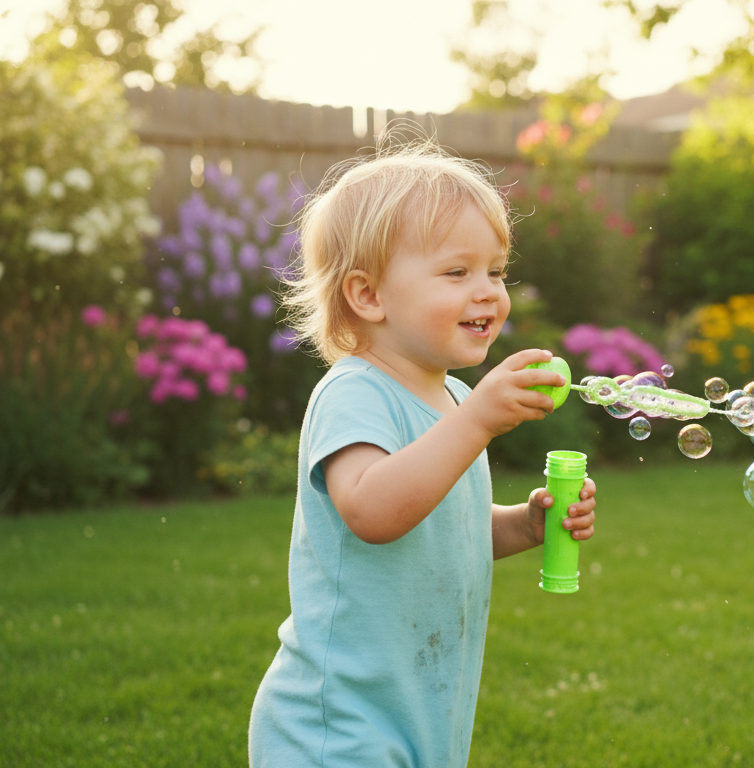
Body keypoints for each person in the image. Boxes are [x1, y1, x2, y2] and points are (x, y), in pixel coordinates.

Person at [248, 141, 597, 767]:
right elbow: (375, 512)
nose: (488, 291)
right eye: (457, 272)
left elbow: (443, 521)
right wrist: (479, 423)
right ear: (369, 295)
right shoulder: (354, 393)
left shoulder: (453, 400)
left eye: (496, 270)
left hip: (418, 713)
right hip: (340, 728)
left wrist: (523, 524)